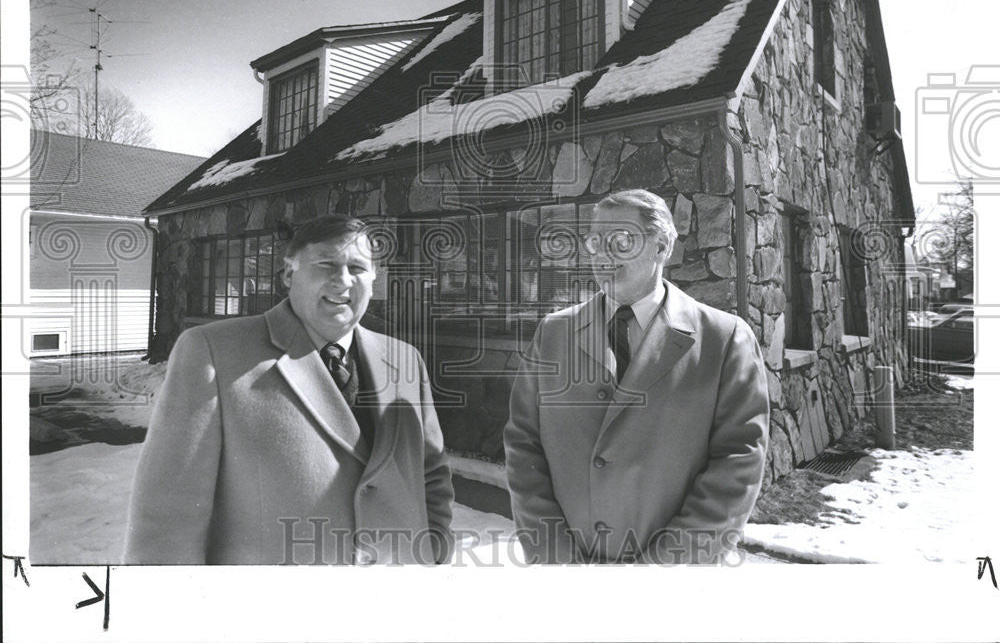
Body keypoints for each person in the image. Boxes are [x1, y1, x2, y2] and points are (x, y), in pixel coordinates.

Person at [124, 214, 453, 565]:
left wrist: (435, 551)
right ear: (287, 275)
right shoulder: (213, 353)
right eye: (326, 264)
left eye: (357, 268)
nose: (342, 281)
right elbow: (170, 512)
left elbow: (430, 472)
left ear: (375, 279)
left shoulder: (405, 360)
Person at [504, 189, 769, 564]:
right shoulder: (553, 334)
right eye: (595, 241)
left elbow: (738, 460)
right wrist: (554, 556)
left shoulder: (724, 339)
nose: (602, 254)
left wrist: (662, 569)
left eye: (621, 240)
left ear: (661, 247)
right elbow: (523, 447)